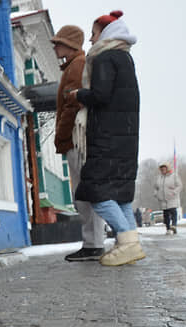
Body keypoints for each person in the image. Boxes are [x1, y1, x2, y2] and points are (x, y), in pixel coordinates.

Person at [67, 10, 142, 266]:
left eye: (94, 34)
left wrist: (79, 94)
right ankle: (130, 244)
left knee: (96, 193)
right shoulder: (125, 57)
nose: (90, 39)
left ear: (106, 33)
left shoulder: (105, 57)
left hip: (107, 136)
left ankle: (127, 242)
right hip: (125, 137)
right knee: (119, 195)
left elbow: (100, 95)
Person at [52, 24, 106, 262]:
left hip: (76, 137)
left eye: (59, 43)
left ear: (70, 44)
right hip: (77, 137)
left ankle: (93, 244)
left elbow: (71, 105)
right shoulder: (74, 64)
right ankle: (93, 242)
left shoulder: (76, 65)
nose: (55, 47)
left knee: (84, 193)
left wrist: (61, 135)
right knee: (84, 192)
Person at [154, 162, 182, 234]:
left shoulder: (174, 176)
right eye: (161, 169)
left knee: (173, 211)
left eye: (164, 168)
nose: (163, 170)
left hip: (172, 198)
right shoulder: (159, 177)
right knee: (166, 214)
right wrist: (156, 194)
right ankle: (168, 228)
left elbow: (179, 186)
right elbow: (156, 187)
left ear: (167, 168)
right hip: (162, 199)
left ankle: (174, 226)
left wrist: (174, 192)